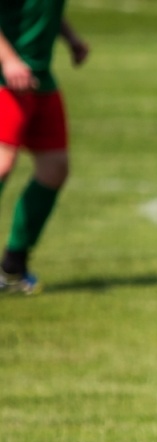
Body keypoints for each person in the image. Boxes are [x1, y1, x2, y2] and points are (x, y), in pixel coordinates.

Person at [0, 0, 89, 294]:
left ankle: (13, 266)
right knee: (2, 164)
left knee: (55, 169)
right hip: (6, 79)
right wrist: (8, 59)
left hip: (39, 78)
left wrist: (71, 37)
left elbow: (47, 9)